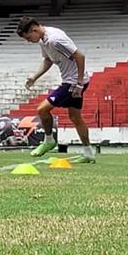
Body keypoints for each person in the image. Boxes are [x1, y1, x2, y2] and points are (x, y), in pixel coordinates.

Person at [18, 17, 95, 163]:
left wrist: (78, 83)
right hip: (72, 81)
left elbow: (80, 56)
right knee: (75, 118)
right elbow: (48, 60)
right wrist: (34, 77)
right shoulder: (44, 40)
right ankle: (89, 153)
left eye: (28, 37)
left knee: (42, 109)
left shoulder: (55, 40)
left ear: (34, 29)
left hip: (73, 82)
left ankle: (49, 141)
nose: (28, 41)